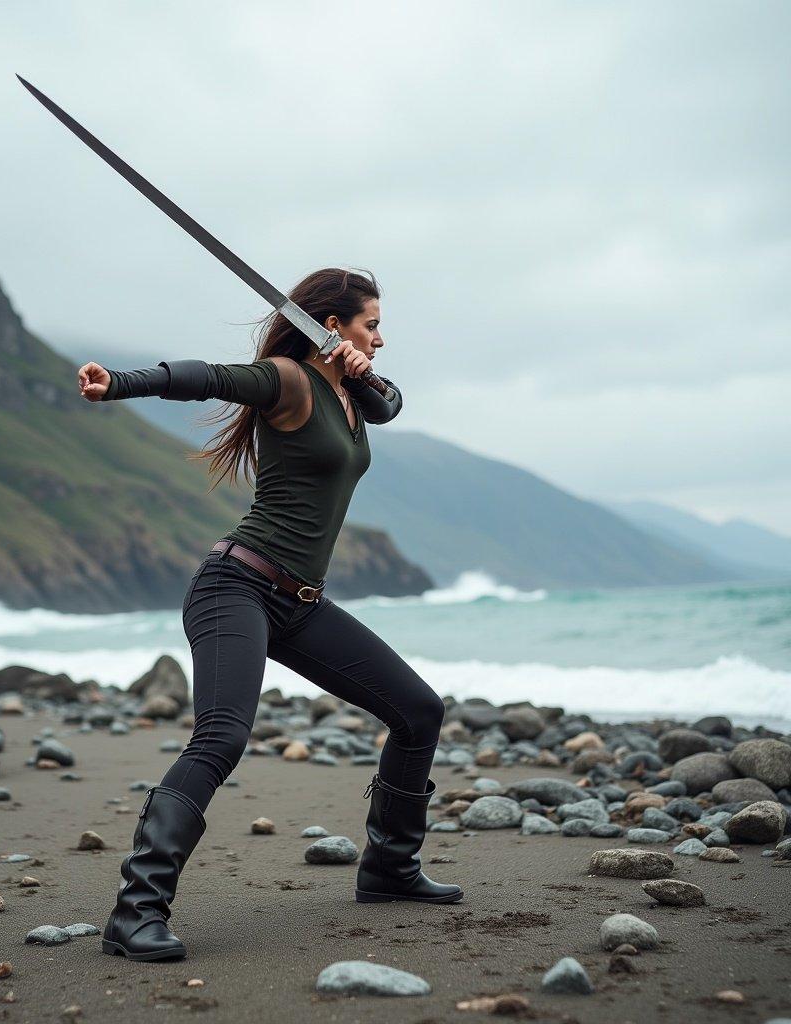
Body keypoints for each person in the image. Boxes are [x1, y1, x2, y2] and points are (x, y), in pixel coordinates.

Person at [77, 267, 462, 963]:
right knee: (222, 737)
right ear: (333, 323)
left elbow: (392, 405)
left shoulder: (354, 394)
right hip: (237, 587)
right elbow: (210, 377)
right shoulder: (288, 378)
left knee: (419, 712)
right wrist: (124, 383)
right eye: (370, 324)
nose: (381, 336)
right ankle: (134, 913)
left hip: (301, 604)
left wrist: (359, 370)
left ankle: (389, 870)